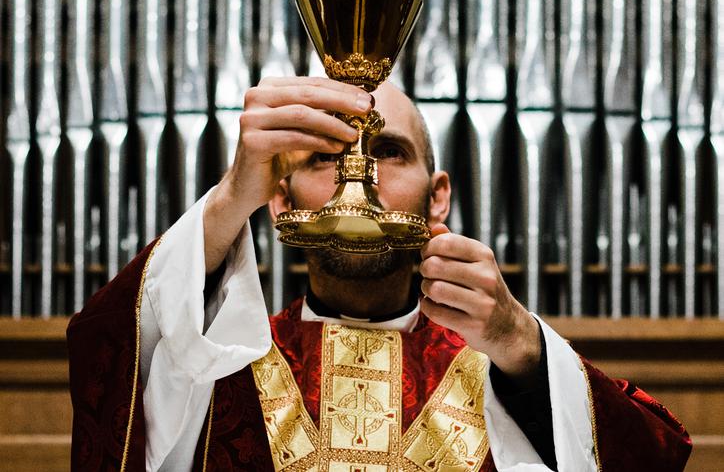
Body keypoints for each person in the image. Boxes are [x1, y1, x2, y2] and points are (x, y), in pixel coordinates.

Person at [67, 77, 691, 472]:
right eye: (326, 157)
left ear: (437, 196)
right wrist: (231, 196)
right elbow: (103, 357)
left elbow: (653, 455)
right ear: (280, 199)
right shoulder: (211, 367)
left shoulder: (516, 374)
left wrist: (522, 345)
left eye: (386, 151)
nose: (355, 182)